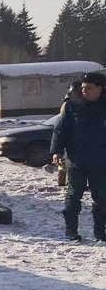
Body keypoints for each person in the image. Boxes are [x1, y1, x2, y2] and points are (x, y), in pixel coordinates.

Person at [51, 72, 106, 242]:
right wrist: (56, 151)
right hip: (76, 161)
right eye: (83, 88)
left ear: (101, 89)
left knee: (102, 199)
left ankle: (100, 233)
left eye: (89, 88)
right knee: (73, 197)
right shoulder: (72, 106)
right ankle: (71, 231)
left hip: (101, 163)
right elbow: (60, 130)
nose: (84, 91)